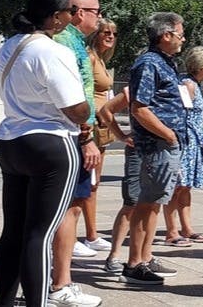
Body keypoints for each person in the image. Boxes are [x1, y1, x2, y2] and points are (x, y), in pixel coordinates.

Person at [0, 0, 94, 307]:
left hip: (11, 140)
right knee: (40, 234)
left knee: (13, 232)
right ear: (55, 17)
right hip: (50, 143)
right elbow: (76, 108)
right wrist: (87, 112)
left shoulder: (10, 45)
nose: (72, 17)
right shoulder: (54, 52)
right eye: (69, 11)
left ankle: (3, 303)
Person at [123, 12, 186, 286]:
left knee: (155, 203)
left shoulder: (165, 62)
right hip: (157, 144)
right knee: (147, 203)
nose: (184, 39)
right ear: (166, 35)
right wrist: (168, 135)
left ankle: (145, 257)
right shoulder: (149, 63)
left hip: (166, 144)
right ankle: (134, 264)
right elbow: (140, 108)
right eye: (180, 34)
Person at [50, 0, 103, 305]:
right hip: (72, 135)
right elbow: (73, 96)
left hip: (68, 133)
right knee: (68, 209)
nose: (100, 17)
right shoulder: (65, 43)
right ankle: (61, 284)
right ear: (79, 12)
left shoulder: (69, 42)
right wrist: (87, 137)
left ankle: (54, 280)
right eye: (97, 11)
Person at [163, 45, 203, 246]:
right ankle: (172, 232)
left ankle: (187, 228)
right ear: (200, 66)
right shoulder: (187, 85)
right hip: (186, 143)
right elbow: (180, 115)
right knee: (177, 187)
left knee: (185, 188)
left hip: (195, 144)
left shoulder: (194, 84)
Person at [79, 17, 118, 254]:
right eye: (106, 32)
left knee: (94, 183)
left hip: (101, 126)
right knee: (87, 182)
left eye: (113, 33)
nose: (111, 36)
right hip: (91, 126)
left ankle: (92, 234)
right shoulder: (89, 57)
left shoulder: (101, 59)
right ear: (96, 34)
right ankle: (86, 235)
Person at [95, 86, 137, 275]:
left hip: (161, 151)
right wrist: (121, 136)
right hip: (139, 149)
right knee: (131, 203)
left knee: (152, 205)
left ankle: (144, 256)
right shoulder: (134, 87)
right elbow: (106, 110)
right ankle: (114, 256)